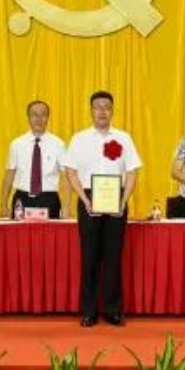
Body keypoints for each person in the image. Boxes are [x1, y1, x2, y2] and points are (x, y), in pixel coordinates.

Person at [61, 90, 141, 328]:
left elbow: (132, 171)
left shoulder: (124, 138)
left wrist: (123, 201)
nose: (102, 111)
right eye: (98, 107)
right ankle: (89, 311)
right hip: (88, 199)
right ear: (91, 111)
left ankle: (113, 310)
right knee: (89, 257)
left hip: (117, 199)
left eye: (107, 107)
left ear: (112, 111)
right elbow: (70, 172)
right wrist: (84, 200)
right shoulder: (79, 139)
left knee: (113, 257)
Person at [0, 100, 66, 218]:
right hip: (22, 199)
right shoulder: (16, 144)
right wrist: (3, 205)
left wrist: (66, 206)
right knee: (20, 231)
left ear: (48, 118)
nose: (39, 119)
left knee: (50, 231)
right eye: (34, 115)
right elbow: (9, 175)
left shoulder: (58, 144)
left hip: (49, 199)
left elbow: (66, 178)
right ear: (28, 118)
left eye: (43, 114)